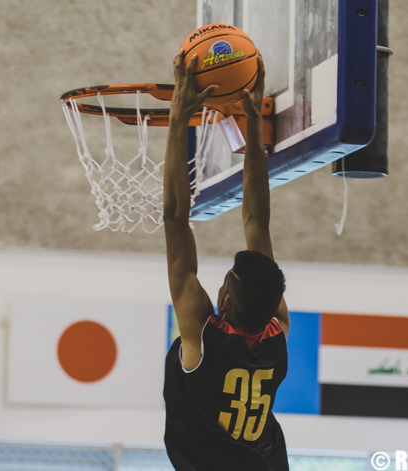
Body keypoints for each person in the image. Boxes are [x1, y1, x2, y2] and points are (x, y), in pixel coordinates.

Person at [163, 50, 290, 471]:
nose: (220, 284)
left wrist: (180, 119)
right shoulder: (274, 333)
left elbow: (179, 217)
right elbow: (253, 219)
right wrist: (253, 127)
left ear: (228, 302)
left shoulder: (207, 338)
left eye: (227, 281)